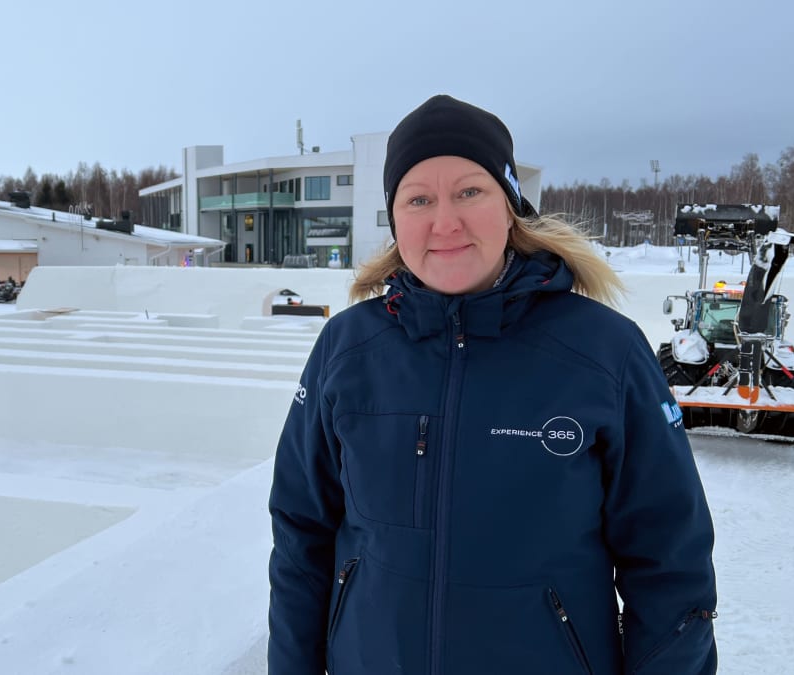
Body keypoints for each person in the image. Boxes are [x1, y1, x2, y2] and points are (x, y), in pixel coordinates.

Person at [267, 95, 717, 674]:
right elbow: (302, 537)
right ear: (395, 218)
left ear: (510, 207)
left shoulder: (604, 352)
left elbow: (670, 566)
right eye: (419, 199)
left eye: (469, 192)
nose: (444, 221)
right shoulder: (347, 348)